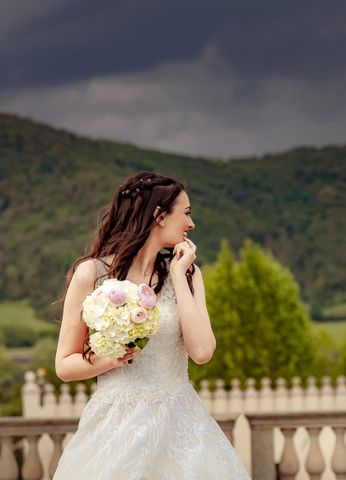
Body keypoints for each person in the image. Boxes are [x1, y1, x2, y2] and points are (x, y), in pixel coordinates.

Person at [53, 171, 249, 479]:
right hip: (116, 425)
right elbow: (65, 365)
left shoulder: (188, 273)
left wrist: (178, 275)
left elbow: (202, 352)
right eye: (186, 213)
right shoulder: (92, 274)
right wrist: (109, 359)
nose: (191, 223)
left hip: (181, 424)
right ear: (159, 216)